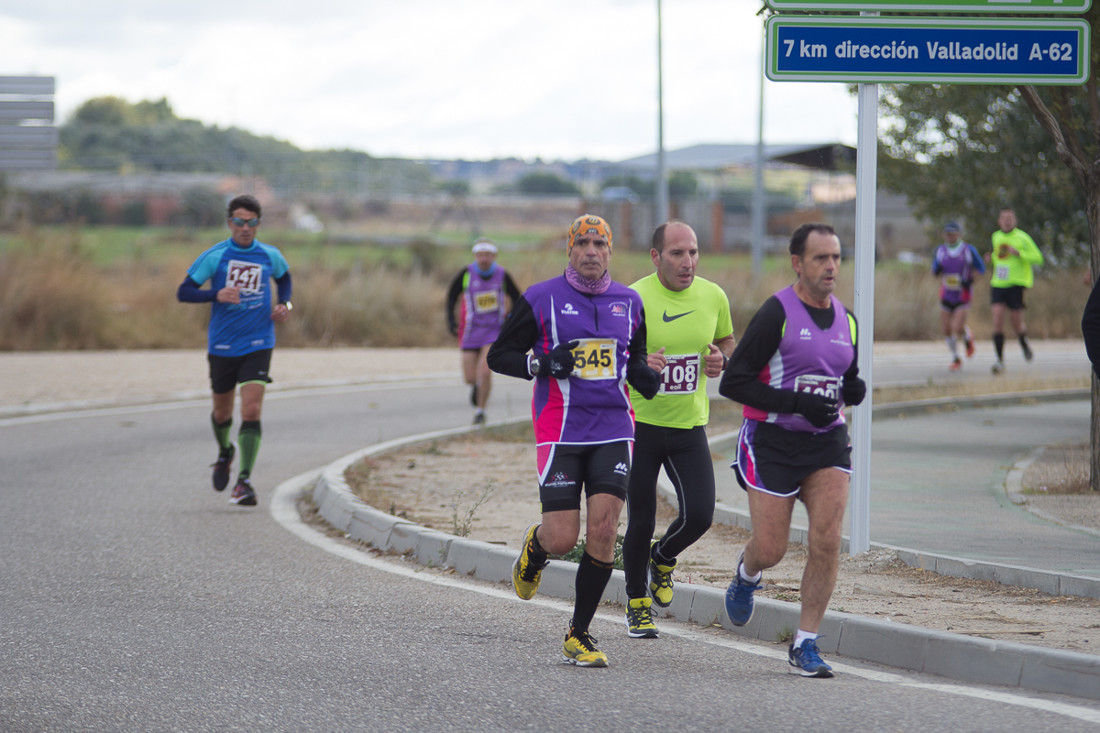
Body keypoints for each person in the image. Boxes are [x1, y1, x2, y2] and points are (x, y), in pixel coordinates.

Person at [486, 214, 660, 667]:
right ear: (570, 250)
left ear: (610, 252)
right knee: (563, 538)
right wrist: (541, 364)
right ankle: (536, 547)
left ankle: (578, 633)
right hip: (560, 430)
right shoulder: (540, 297)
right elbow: (499, 355)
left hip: (614, 429)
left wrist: (644, 375)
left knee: (603, 530)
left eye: (599, 245)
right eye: (582, 243)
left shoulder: (629, 302)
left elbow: (633, 357)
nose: (591, 252)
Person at [717, 222, 866, 678]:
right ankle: (747, 574)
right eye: (821, 258)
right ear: (798, 263)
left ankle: (805, 642)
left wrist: (853, 389)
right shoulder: (776, 313)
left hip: (827, 444)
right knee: (771, 548)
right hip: (772, 442)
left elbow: (845, 379)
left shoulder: (848, 320)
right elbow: (734, 382)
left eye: (836, 257)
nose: (831, 266)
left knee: (827, 539)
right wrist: (798, 403)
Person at [621, 220, 736, 639]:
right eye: (677, 253)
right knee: (641, 521)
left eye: (693, 252)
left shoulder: (713, 295)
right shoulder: (632, 298)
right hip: (640, 427)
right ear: (656, 257)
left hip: (689, 426)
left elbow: (726, 341)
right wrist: (638, 365)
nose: (688, 262)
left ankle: (663, 557)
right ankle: (637, 604)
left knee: (700, 515)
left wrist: (722, 360)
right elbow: (612, 358)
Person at [176, 195, 292, 507]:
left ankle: (244, 482)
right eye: (239, 221)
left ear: (258, 224)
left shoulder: (270, 255)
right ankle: (225, 451)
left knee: (251, 410)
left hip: (259, 342)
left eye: (251, 222)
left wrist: (285, 304)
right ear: (230, 223)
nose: (245, 228)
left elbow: (284, 278)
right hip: (223, 345)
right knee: (222, 413)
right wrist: (215, 294)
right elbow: (184, 292)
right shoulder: (216, 256)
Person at [445, 239, 521, 425]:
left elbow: (518, 298)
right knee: (469, 377)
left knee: (485, 371)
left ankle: (480, 411)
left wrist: (510, 320)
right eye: (480, 255)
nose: (484, 259)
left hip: (494, 331)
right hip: (471, 330)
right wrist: (451, 320)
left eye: (487, 255)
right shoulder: (466, 274)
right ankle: (477, 386)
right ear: (475, 256)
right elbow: (451, 296)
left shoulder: (502, 275)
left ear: (494, 256)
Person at [987, 207, 1043, 374]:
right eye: (1004, 218)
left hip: (1016, 285)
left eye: (1010, 218)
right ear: (999, 221)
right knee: (997, 321)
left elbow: (1038, 258)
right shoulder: (996, 237)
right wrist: (991, 258)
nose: (1007, 221)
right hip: (998, 283)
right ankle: (999, 361)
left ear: (1015, 221)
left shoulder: (1022, 237)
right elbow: (999, 257)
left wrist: (1020, 253)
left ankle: (1023, 343)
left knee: (1016, 323)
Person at [931, 221, 985, 371]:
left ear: (958, 234)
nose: (950, 237)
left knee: (957, 327)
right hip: (946, 293)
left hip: (962, 295)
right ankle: (955, 357)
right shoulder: (941, 251)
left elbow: (981, 268)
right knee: (946, 329)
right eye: (947, 234)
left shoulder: (967, 250)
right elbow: (934, 270)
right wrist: (937, 271)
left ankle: (967, 336)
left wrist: (970, 280)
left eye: (953, 234)